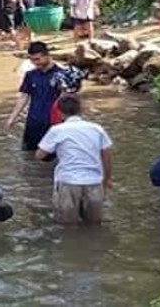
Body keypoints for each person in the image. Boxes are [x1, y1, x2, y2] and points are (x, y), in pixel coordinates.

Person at [35, 95, 114, 225]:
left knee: (67, 226)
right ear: (80, 110)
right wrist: (107, 179)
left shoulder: (57, 130)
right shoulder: (97, 129)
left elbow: (39, 155)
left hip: (68, 181)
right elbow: (107, 157)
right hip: (94, 181)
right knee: (94, 225)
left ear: (59, 112)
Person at [5, 41, 70, 151]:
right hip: (33, 122)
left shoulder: (62, 74)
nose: (35, 63)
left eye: (37, 59)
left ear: (47, 55)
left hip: (54, 123)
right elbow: (24, 97)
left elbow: (68, 99)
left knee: (53, 155)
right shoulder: (31, 75)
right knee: (29, 155)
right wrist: (12, 118)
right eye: (32, 60)